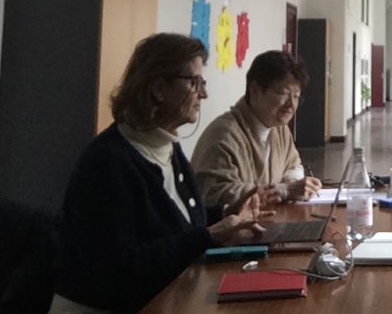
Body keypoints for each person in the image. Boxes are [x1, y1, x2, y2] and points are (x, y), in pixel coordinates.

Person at [51, 33, 270, 314]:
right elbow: (119, 270)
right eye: (194, 83)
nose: (203, 94)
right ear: (157, 88)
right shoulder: (107, 162)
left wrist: (229, 213)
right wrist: (208, 235)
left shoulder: (167, 147)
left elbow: (176, 222)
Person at [191, 49, 322, 208]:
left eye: (296, 96)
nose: (291, 105)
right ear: (255, 90)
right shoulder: (224, 135)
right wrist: (283, 190)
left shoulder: (279, 128)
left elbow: (292, 165)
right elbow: (215, 194)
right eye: (284, 93)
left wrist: (294, 184)